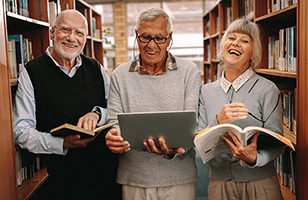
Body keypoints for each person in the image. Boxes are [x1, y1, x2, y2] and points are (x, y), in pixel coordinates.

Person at [13, 9, 119, 200]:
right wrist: (62, 143)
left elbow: (116, 109)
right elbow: (21, 131)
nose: (72, 38)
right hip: (64, 185)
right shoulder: (32, 72)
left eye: (79, 33)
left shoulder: (96, 68)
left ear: (85, 38)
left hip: (108, 179)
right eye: (65, 30)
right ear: (52, 32)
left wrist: (97, 114)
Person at [105, 7, 201, 200]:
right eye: (145, 37)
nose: (152, 45)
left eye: (159, 38)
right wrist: (113, 137)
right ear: (136, 35)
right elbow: (114, 123)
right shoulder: (119, 76)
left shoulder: (189, 72)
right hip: (135, 178)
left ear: (169, 37)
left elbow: (194, 125)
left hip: (179, 177)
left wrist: (173, 149)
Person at [198, 18, 284, 200]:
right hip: (218, 185)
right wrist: (218, 122)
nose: (236, 43)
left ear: (253, 53)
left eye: (245, 41)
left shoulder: (268, 89)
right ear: (223, 46)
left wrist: (255, 158)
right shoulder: (206, 91)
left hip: (260, 184)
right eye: (231, 38)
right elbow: (199, 140)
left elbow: (277, 141)